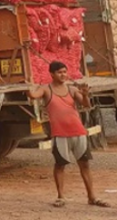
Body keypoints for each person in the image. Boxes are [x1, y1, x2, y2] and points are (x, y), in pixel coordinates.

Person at [27, 61, 110, 208]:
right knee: (60, 165)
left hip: (78, 132)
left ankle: (92, 197)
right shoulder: (46, 89)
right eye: (59, 72)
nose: (63, 75)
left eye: (65, 72)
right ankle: (61, 197)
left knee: (85, 165)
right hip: (60, 134)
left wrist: (85, 95)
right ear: (51, 74)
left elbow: (86, 105)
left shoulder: (72, 90)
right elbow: (34, 95)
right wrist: (27, 86)